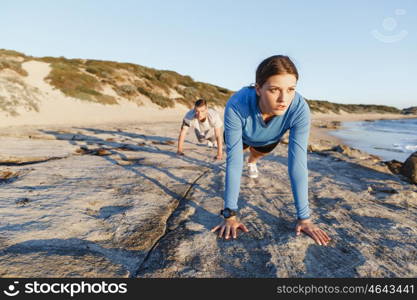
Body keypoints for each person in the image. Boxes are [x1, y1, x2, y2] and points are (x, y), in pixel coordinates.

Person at [211, 55, 331, 246]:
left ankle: (253, 160)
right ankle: (249, 159)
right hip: (241, 136)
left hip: (267, 141)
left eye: (291, 89)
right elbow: (233, 163)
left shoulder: (299, 108)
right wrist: (229, 215)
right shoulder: (237, 104)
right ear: (258, 88)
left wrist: (305, 219)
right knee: (239, 157)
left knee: (256, 154)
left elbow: (298, 163)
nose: (284, 99)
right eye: (275, 90)